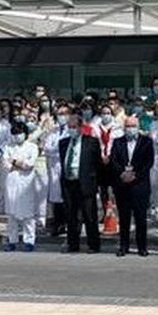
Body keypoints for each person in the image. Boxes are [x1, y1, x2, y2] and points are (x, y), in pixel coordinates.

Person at [58, 109, 104, 254]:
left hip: (85, 183)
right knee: (71, 216)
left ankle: (93, 244)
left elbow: (98, 164)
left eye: (74, 127)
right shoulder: (63, 143)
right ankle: (73, 244)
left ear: (80, 127)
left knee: (89, 215)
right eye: (69, 127)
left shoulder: (91, 142)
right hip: (69, 182)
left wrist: (96, 183)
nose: (71, 130)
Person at [109, 115, 154, 257]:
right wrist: (122, 174)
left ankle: (142, 247)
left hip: (140, 185)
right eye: (128, 126)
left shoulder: (146, 142)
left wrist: (134, 175)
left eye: (133, 126)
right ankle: (124, 246)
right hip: (122, 185)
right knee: (124, 218)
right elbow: (114, 160)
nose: (130, 129)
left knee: (140, 218)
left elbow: (148, 163)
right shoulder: (118, 142)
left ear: (138, 127)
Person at [1, 118, 40, 251]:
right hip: (12, 182)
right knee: (12, 215)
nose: (18, 136)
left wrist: (16, 162)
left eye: (20, 132)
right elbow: (5, 165)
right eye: (15, 133)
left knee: (28, 214)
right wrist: (18, 163)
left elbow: (29, 164)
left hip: (26, 184)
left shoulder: (32, 147)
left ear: (25, 133)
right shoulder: (8, 147)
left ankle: (29, 241)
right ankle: (12, 240)